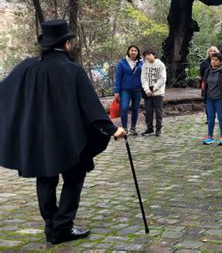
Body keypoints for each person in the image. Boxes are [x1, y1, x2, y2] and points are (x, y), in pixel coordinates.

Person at [0, 20, 126, 245]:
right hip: (70, 138)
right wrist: (112, 129)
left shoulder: (26, 67)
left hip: (37, 137)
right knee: (74, 178)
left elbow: (5, 92)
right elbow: (91, 107)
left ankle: (51, 225)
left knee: (45, 179)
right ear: (66, 44)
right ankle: (62, 227)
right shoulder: (72, 70)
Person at [202, 52, 222, 146]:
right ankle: (210, 137)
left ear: (220, 62)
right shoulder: (207, 71)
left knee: (221, 118)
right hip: (209, 98)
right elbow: (205, 84)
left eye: (216, 60)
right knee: (210, 118)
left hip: (220, 99)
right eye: (212, 59)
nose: (213, 62)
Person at [114, 45, 143, 135]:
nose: (133, 52)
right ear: (128, 52)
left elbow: (145, 76)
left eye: (135, 50)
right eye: (132, 50)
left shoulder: (141, 63)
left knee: (135, 109)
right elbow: (118, 77)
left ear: (138, 53)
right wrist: (116, 91)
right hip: (125, 89)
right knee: (124, 108)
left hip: (137, 89)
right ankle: (124, 129)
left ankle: (133, 128)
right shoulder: (122, 62)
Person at [140, 49, 167, 137]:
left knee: (158, 111)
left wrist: (154, 89)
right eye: (145, 55)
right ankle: (149, 128)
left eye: (149, 54)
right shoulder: (144, 65)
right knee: (148, 111)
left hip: (158, 92)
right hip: (147, 92)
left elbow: (163, 78)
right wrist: (147, 90)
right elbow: (143, 78)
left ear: (154, 55)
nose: (147, 56)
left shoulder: (160, 64)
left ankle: (158, 128)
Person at [199, 46, 220, 123]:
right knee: (207, 102)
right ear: (208, 52)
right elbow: (201, 74)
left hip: (216, 86)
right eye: (211, 51)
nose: (212, 52)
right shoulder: (204, 63)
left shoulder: (219, 62)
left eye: (214, 51)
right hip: (207, 85)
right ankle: (209, 118)